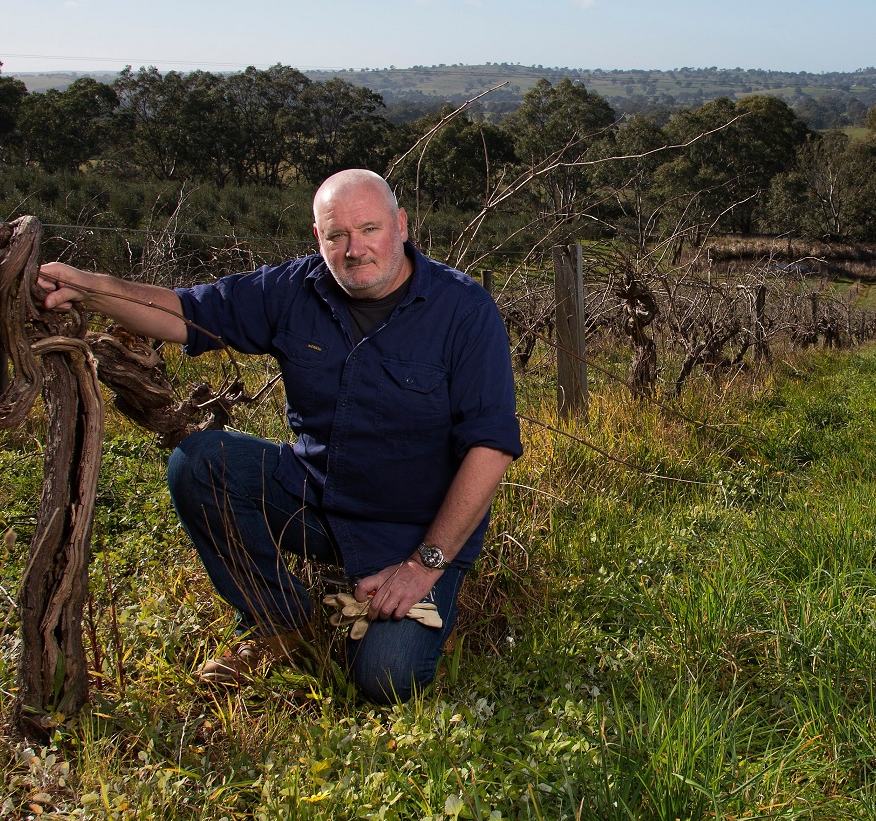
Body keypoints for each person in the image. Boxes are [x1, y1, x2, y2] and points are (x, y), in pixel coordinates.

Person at [36, 169, 521, 703]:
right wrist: (94, 290)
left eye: (369, 229)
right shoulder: (294, 289)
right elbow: (184, 312)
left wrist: (420, 567)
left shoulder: (464, 312)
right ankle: (278, 621)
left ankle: (425, 608)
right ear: (319, 238)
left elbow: (490, 449)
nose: (354, 249)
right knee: (200, 462)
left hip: (412, 529)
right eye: (337, 236)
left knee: (386, 678)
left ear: (401, 226)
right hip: (314, 498)